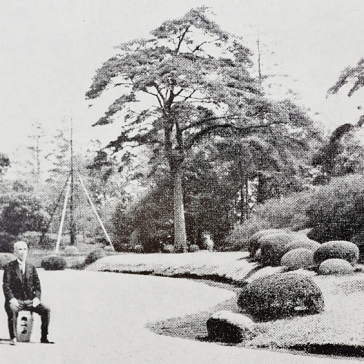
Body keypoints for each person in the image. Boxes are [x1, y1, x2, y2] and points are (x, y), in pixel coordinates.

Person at [2, 241, 53, 345]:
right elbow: (6, 286)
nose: (23, 252)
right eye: (20, 249)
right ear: (15, 252)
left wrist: (36, 298)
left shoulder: (31, 267)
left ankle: (44, 337)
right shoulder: (9, 267)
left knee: (46, 310)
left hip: (30, 301)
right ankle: (13, 337)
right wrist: (12, 299)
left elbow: (37, 286)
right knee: (12, 309)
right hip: (16, 301)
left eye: (25, 249)